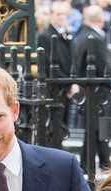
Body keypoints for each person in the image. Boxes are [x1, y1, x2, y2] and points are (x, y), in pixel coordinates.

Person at [73, 5, 111, 173]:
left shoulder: (79, 35)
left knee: (94, 130)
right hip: (98, 91)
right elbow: (105, 66)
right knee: (100, 129)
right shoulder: (94, 38)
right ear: (101, 19)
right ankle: (104, 164)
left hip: (87, 90)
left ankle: (88, 165)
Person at [37, 0, 74, 149]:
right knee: (53, 128)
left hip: (64, 88)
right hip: (53, 89)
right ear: (51, 15)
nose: (62, 17)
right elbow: (47, 65)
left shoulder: (65, 34)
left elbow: (70, 60)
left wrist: (71, 83)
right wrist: (68, 83)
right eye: (58, 14)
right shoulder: (45, 36)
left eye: (64, 14)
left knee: (62, 126)